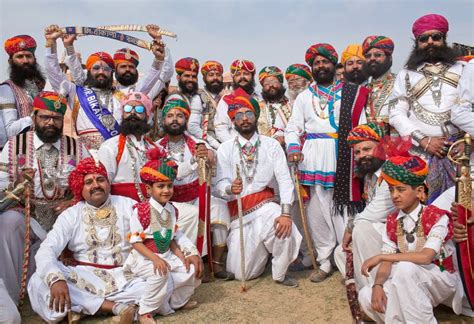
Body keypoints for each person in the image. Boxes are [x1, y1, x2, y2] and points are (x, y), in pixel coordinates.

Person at [27, 157, 147, 322]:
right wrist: (56, 279)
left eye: (100, 180)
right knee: (37, 281)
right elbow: (47, 248)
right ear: (80, 188)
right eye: (88, 182)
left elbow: (154, 232)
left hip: (126, 276)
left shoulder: (129, 206)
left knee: (163, 281)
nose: (96, 185)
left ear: (108, 183)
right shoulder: (71, 214)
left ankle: (87, 308)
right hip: (83, 277)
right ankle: (116, 307)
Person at [0, 91, 84, 305]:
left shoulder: (76, 146)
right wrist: (16, 184)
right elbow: (0, 182)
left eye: (56, 118)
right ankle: (11, 296)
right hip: (27, 213)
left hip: (64, 215)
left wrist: (74, 201)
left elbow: (91, 178)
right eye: (45, 117)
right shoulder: (14, 144)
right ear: (34, 116)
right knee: (8, 223)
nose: (50, 122)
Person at [358, 155, 463, 323]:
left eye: (400, 190)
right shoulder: (392, 221)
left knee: (405, 268)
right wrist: (378, 285)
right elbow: (386, 263)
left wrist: (381, 256)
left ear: (420, 192)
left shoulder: (436, 216)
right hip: (407, 278)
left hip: (440, 276)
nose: (395, 195)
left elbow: (426, 257)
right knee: (366, 295)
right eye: (392, 190)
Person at [216, 92, 302, 287]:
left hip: (265, 207)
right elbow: (219, 184)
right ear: (233, 121)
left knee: (284, 228)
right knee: (241, 273)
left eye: (249, 113)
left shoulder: (271, 145)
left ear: (256, 116)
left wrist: (286, 213)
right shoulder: (225, 148)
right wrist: (230, 188)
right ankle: (263, 251)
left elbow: (285, 181)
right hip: (240, 214)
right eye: (238, 115)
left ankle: (280, 273)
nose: (244, 118)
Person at [43, 24, 166, 151]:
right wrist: (51, 43)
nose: (101, 71)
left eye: (106, 68)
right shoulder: (76, 93)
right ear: (89, 71)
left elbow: (147, 83)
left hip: (118, 154)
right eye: (96, 68)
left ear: (112, 72)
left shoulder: (122, 95)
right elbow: (54, 73)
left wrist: (158, 59)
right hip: (86, 156)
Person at [389, 13, 465, 203]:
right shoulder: (406, 74)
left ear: (444, 39)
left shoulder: (464, 69)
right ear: (417, 42)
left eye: (436, 37)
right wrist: (423, 140)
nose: (430, 42)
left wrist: (467, 140)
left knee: (464, 212)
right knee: (423, 210)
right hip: (421, 154)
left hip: (463, 155)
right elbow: (396, 113)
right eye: (424, 38)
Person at [124, 147, 202, 323]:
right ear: (149, 188)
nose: (166, 190)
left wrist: (181, 254)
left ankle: (177, 303)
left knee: (188, 269)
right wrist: (155, 259)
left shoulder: (172, 209)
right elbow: (135, 242)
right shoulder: (141, 210)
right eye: (160, 186)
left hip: (166, 253)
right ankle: (145, 312)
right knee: (160, 273)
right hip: (145, 257)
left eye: (169, 186)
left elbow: (170, 237)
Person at [156, 98, 232, 279]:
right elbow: (170, 173)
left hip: (196, 195)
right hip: (170, 200)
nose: (175, 119)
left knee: (219, 208)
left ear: (186, 120)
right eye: (170, 116)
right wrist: (192, 161)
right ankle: (196, 261)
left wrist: (210, 158)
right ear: (164, 120)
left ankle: (216, 264)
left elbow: (212, 170)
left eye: (180, 116)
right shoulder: (156, 147)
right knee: (193, 216)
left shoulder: (199, 144)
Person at [334, 123, 396, 289]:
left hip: (398, 236)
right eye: (358, 152)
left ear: (381, 146)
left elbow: (375, 213)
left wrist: (349, 228)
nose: (362, 156)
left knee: (360, 229)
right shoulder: (369, 174)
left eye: (367, 149)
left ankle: (375, 289)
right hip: (380, 232)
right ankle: (366, 288)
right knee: (340, 252)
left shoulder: (391, 171)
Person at [98, 91, 159, 202]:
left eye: (139, 110)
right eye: (127, 109)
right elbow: (102, 184)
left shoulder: (155, 149)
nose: (132, 113)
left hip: (151, 208)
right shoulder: (110, 147)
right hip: (120, 209)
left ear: (147, 116)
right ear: (122, 114)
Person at [0, 35, 45, 148]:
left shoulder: (39, 87)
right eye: (20, 56)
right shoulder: (6, 89)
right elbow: (9, 131)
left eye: (28, 56)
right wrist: (37, 117)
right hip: (17, 151)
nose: (25, 61)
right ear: (11, 61)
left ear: (35, 59)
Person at [214, 59, 260, 143]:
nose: (242, 77)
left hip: (262, 146)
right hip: (235, 147)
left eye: (246, 74)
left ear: (252, 76)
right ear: (233, 79)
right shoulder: (227, 99)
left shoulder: (260, 99)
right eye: (238, 74)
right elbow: (221, 128)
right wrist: (236, 146)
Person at [362, 35, 397, 133]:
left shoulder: (400, 83)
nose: (372, 58)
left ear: (389, 57)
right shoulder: (364, 89)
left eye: (377, 55)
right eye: (368, 56)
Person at [188, 60, 225, 149]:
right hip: (205, 146)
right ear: (204, 78)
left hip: (223, 144)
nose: (215, 78)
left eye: (218, 75)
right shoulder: (198, 97)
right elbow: (192, 126)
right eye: (211, 75)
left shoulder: (223, 98)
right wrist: (215, 145)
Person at [257, 66, 292, 146]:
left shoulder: (291, 104)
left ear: (280, 83)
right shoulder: (257, 107)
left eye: (273, 82)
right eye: (266, 83)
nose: (271, 86)